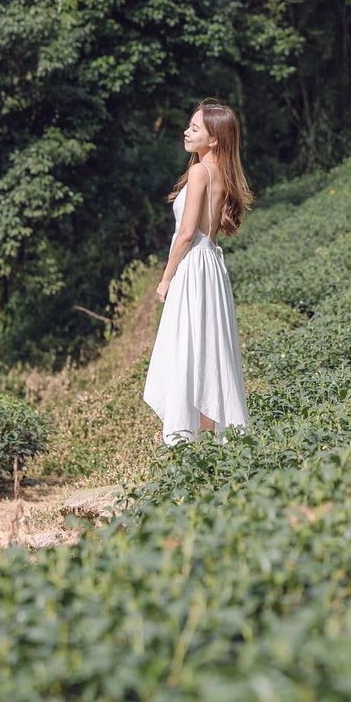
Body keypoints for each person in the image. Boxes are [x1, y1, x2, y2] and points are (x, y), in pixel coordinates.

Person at [143, 98, 253, 444]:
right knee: (208, 346)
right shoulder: (221, 172)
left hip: (193, 264)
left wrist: (165, 278)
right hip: (211, 265)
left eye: (195, 128)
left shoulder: (199, 171)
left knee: (186, 344)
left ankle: (184, 434)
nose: (186, 133)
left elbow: (187, 233)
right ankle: (212, 433)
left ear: (214, 138)